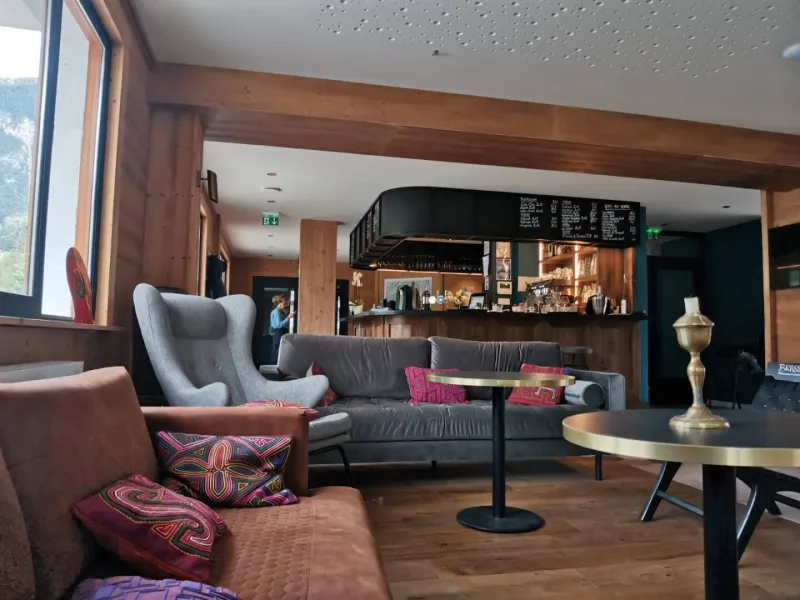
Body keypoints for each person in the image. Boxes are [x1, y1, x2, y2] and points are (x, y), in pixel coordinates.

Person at [269, 294, 295, 364]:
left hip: (281, 331)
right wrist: (288, 318)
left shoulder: (280, 312)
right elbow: (279, 325)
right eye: (284, 303)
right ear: (279, 303)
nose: (285, 305)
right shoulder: (276, 312)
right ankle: (274, 365)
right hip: (278, 331)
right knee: (277, 348)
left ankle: (278, 364)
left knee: (280, 348)